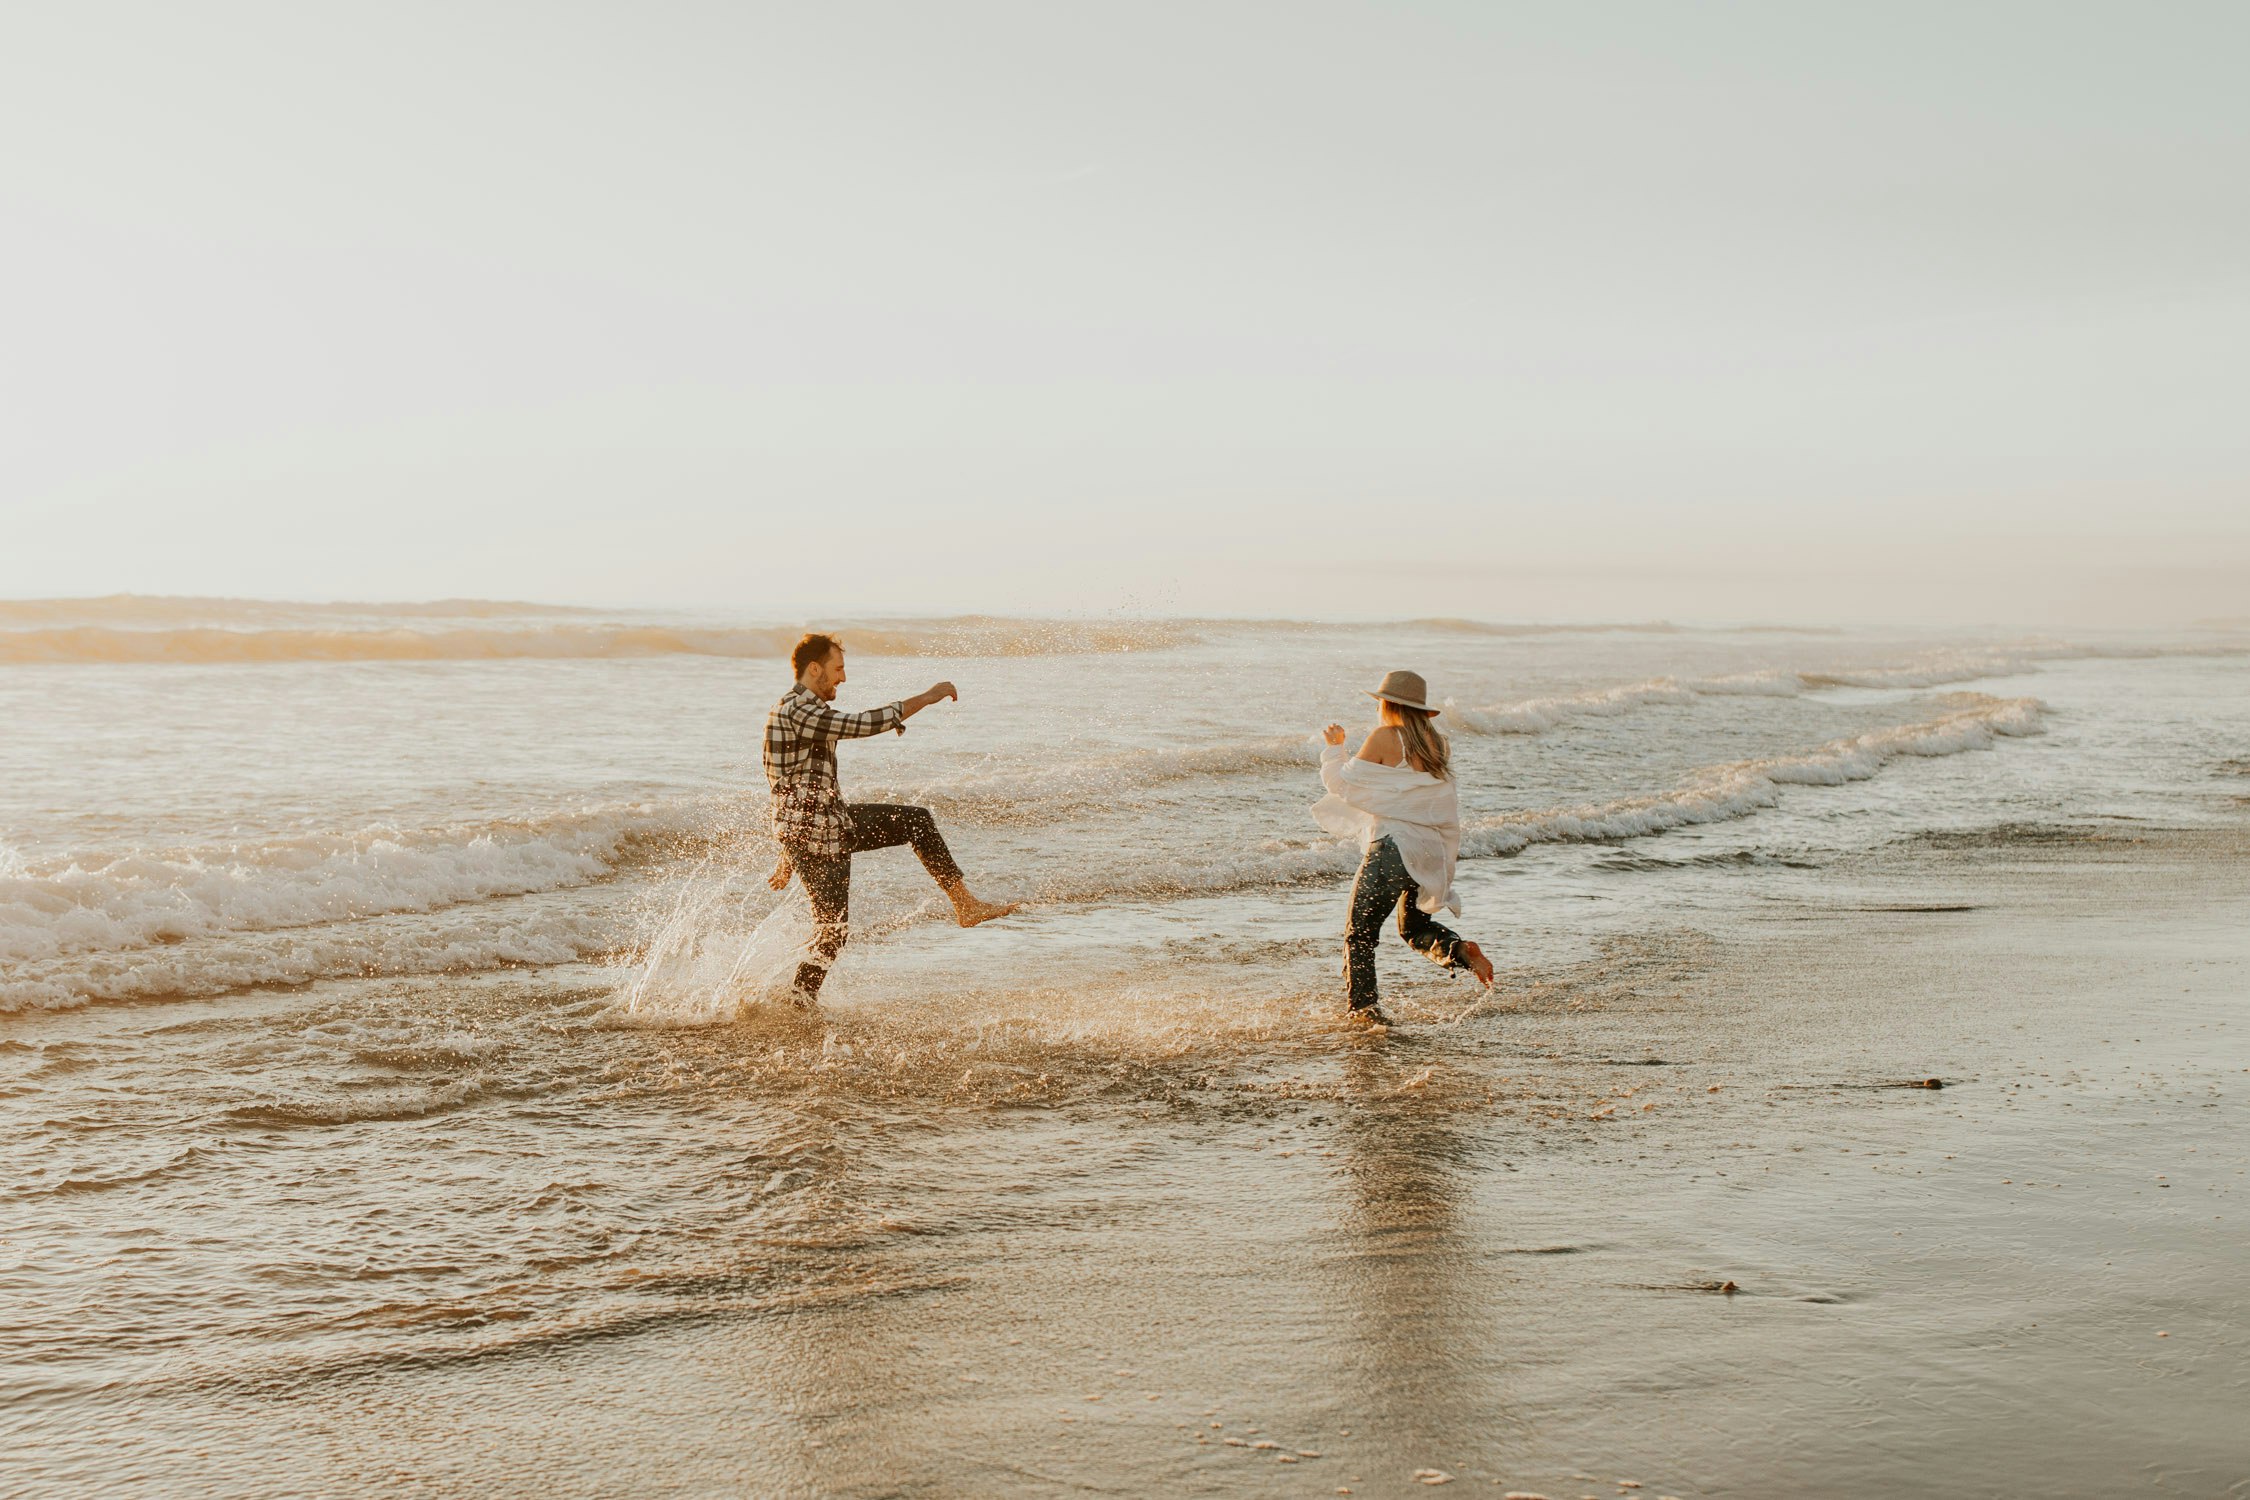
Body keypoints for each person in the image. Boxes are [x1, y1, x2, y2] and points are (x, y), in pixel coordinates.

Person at [764, 632, 1018, 1005]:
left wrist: (786, 850)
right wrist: (926, 698)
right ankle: (798, 1001)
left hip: (826, 826)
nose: (843, 678)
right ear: (814, 668)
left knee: (915, 822)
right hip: (816, 835)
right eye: (838, 669)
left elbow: (798, 785)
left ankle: (965, 905)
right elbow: (861, 724)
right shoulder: (796, 710)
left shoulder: (807, 712)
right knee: (832, 932)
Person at [1313, 669, 1494, 1025]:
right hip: (1429, 849)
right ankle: (1458, 950)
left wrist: (1334, 748)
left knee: (1359, 934)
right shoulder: (1438, 743)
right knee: (1412, 927)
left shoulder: (1385, 736)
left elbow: (1342, 786)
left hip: (1394, 849)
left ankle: (1363, 1012)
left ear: (1387, 704)